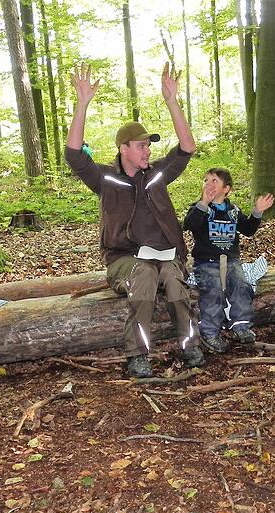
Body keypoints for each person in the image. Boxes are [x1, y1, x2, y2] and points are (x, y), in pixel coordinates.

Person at [65, 63, 204, 378]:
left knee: (172, 277)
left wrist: (172, 101)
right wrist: (82, 102)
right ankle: (137, 354)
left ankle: (189, 344)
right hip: (124, 261)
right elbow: (74, 154)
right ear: (123, 149)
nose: (148, 150)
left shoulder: (155, 176)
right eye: (142, 145)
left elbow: (187, 148)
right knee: (142, 272)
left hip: (166, 256)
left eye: (149, 145)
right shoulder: (106, 179)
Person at [183, 168, 274, 353]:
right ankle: (209, 332)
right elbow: (189, 225)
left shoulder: (233, 211)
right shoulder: (199, 208)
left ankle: (241, 326)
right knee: (213, 289)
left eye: (214, 181)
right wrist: (203, 203)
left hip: (231, 261)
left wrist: (257, 211)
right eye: (206, 180)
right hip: (206, 262)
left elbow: (248, 230)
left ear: (227, 189)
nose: (208, 184)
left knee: (242, 285)